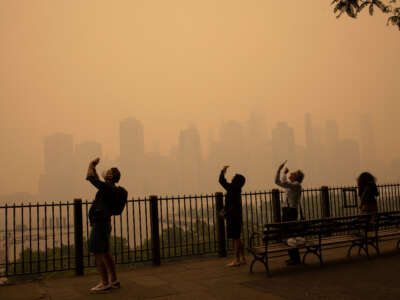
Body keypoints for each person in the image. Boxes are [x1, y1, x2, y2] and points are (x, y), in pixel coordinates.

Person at [86, 157, 121, 293]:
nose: (107, 172)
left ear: (111, 177)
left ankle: (105, 282)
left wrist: (90, 164)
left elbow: (91, 178)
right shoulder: (110, 188)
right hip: (105, 223)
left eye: (110, 172)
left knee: (98, 253)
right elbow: (96, 178)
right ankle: (114, 280)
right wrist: (94, 168)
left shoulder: (107, 187)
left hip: (100, 225)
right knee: (106, 252)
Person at [275, 160, 305, 266]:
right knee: (288, 235)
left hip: (291, 211)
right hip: (287, 211)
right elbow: (278, 182)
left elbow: (283, 183)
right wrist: (281, 172)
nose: (291, 174)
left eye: (293, 173)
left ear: (296, 178)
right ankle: (293, 258)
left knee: (290, 235)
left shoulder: (296, 185)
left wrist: (282, 172)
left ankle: (296, 259)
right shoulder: (291, 185)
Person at [218, 165, 246, 267]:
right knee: (237, 238)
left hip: (233, 217)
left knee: (236, 238)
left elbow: (221, 181)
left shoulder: (232, 188)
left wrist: (223, 171)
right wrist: (225, 209)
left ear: (236, 180)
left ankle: (236, 260)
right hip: (237, 216)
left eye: (234, 176)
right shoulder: (236, 190)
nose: (232, 177)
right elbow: (231, 203)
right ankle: (242, 258)